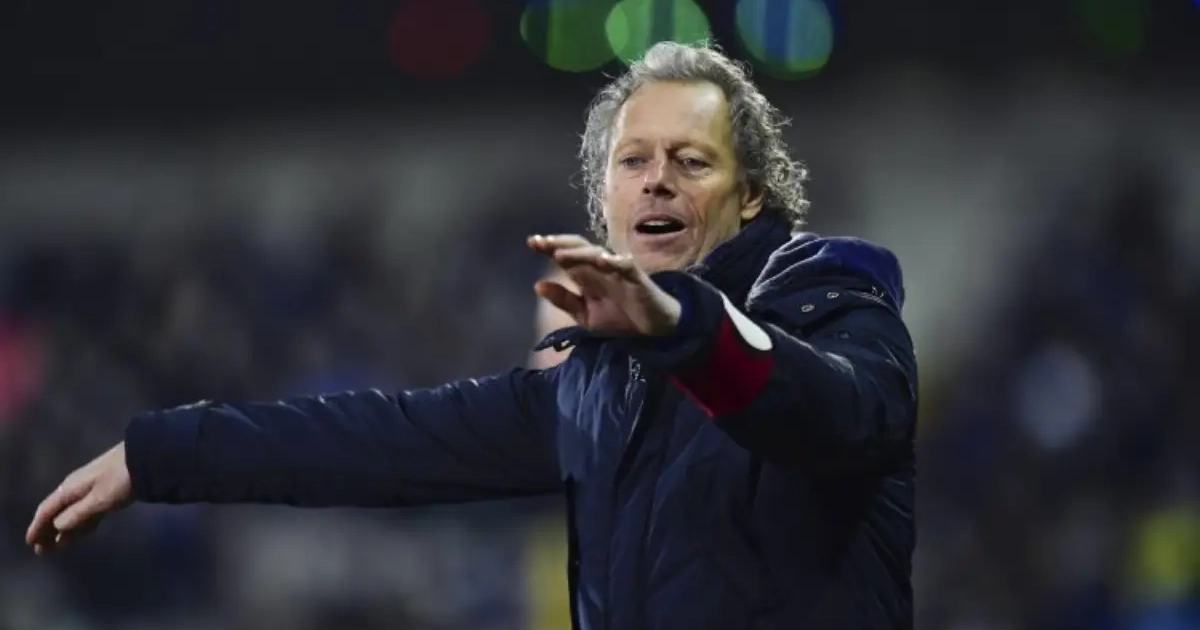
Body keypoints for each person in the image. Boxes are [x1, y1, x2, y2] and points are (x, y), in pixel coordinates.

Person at [27, 41, 919, 630]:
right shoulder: (598, 389)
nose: (657, 181)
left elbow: (834, 412)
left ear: (751, 194)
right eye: (633, 162)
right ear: (605, 198)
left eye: (691, 161)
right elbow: (379, 442)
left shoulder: (828, 297)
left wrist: (686, 327)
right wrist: (163, 452)